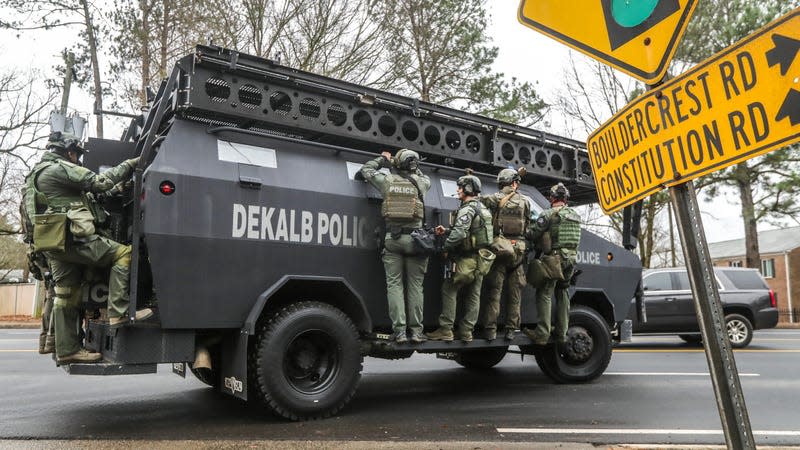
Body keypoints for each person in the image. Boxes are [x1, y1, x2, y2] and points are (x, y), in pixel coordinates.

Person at [22, 134, 153, 364]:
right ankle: (118, 314)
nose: (77, 159)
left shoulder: (37, 174)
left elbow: (86, 197)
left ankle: (65, 349)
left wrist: (117, 188)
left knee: (66, 294)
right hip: (73, 240)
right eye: (76, 153)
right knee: (124, 254)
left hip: (54, 243)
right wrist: (131, 164)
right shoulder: (59, 168)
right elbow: (100, 182)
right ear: (68, 151)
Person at [358, 149, 431, 343]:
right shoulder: (422, 183)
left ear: (398, 164)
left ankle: (399, 332)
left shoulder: (387, 181)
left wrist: (383, 159)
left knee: (394, 286)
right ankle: (416, 332)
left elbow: (366, 170)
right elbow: (422, 175)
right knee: (416, 287)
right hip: (416, 242)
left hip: (393, 240)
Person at [427, 171, 494, 342]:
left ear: (468, 189)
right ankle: (466, 331)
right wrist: (447, 230)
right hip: (481, 258)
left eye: (460, 188)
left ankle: (446, 329)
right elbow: (473, 230)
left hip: (466, 259)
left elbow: (460, 233)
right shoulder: (483, 209)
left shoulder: (467, 209)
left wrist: (446, 246)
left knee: (449, 289)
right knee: (474, 294)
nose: (458, 191)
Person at [523, 183, 582, 346]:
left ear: (552, 198)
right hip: (571, 259)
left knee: (544, 292)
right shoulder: (574, 215)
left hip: (555, 258)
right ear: (566, 199)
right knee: (563, 292)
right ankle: (562, 333)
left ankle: (542, 334)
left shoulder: (549, 214)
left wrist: (525, 231)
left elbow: (534, 233)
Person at [479, 168, 531, 340]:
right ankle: (510, 330)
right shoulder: (525, 201)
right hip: (518, 251)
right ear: (515, 183)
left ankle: (490, 330)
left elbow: (479, 202)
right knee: (515, 294)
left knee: (495, 293)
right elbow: (528, 226)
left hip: (500, 249)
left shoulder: (495, 198)